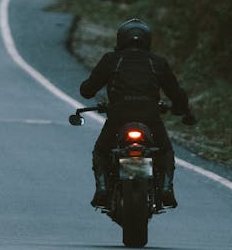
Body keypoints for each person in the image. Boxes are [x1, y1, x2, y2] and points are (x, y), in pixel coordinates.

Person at [78, 18, 197, 209]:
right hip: (149, 117)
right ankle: (166, 188)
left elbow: (87, 90)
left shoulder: (112, 60)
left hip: (118, 117)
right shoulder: (157, 62)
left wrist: (93, 90)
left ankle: (102, 187)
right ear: (147, 40)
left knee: (101, 151)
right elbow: (176, 92)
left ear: (121, 39)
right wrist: (183, 111)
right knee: (165, 150)